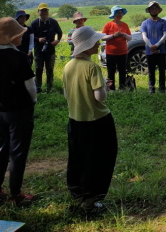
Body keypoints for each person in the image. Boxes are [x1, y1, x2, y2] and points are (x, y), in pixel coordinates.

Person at [63, 26, 117, 213]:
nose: (98, 43)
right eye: (95, 41)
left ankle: (78, 193)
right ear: (86, 46)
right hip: (97, 121)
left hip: (75, 120)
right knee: (100, 159)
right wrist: (104, 86)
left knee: (78, 158)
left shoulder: (68, 66)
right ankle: (92, 199)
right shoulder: (92, 67)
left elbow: (66, 93)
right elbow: (99, 97)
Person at [0, 18, 38, 204]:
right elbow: (30, 86)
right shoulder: (19, 57)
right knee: (17, 153)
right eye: (19, 34)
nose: (21, 37)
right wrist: (33, 101)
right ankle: (15, 194)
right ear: (11, 37)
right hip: (19, 111)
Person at [30, 3, 63, 93]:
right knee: (38, 69)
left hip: (50, 50)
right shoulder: (34, 23)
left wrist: (57, 40)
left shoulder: (53, 22)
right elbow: (31, 36)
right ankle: (38, 88)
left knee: (50, 69)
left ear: (48, 12)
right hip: (38, 51)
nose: (44, 13)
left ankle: (49, 88)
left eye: (45, 11)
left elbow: (59, 32)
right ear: (38, 12)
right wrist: (38, 39)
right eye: (42, 11)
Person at [102, 6, 132, 91]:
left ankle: (122, 88)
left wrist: (124, 35)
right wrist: (113, 35)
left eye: (121, 13)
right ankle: (111, 89)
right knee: (111, 72)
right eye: (118, 13)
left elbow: (130, 38)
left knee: (122, 71)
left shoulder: (125, 25)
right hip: (110, 52)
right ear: (114, 14)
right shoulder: (108, 25)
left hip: (123, 52)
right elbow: (103, 37)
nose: (120, 14)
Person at [141, 1, 166, 94]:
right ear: (149, 11)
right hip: (149, 51)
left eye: (156, 8)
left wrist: (156, 45)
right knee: (151, 70)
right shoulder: (145, 23)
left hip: (161, 49)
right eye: (152, 9)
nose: (154, 10)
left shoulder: (163, 22)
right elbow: (144, 36)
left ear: (158, 10)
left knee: (162, 70)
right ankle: (151, 87)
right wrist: (150, 46)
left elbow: (165, 35)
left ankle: (162, 88)